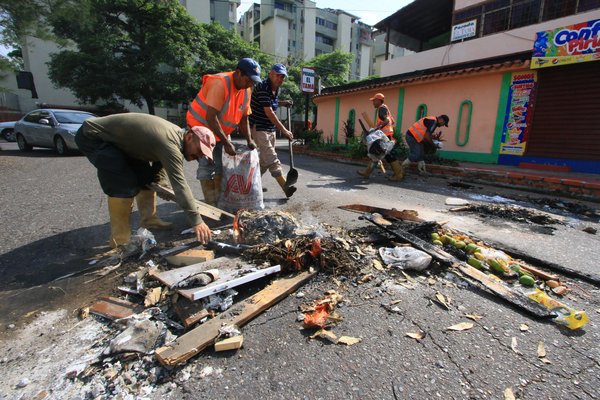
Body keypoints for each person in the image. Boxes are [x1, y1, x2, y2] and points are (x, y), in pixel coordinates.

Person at [76, 113, 216, 248]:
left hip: (122, 143)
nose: (199, 156)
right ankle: (119, 240)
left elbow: (159, 159)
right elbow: (180, 185)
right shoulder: (170, 144)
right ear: (190, 137)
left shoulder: (176, 138)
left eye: (203, 154)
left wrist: (160, 183)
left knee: (146, 178)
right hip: (93, 136)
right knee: (123, 184)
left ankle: (149, 220)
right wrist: (197, 222)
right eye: (199, 150)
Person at [187, 57, 259, 206]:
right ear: (238, 73)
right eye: (249, 80)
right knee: (207, 165)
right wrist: (226, 142)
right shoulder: (220, 83)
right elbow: (211, 117)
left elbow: (243, 118)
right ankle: (211, 203)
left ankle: (219, 200)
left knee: (220, 166)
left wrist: (249, 140)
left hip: (220, 132)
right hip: (201, 127)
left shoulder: (246, 90)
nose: (250, 84)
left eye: (253, 81)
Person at [249, 63, 296, 198]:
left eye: (282, 77)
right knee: (272, 158)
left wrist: (282, 102)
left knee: (264, 161)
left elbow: (271, 103)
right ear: (270, 74)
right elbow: (269, 111)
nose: (279, 79)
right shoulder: (263, 87)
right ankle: (285, 187)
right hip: (259, 127)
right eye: (277, 76)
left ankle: (251, 184)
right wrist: (285, 130)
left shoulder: (276, 89)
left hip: (270, 128)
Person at [358, 93, 403, 180]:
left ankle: (399, 174)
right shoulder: (385, 108)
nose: (373, 103)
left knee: (383, 154)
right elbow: (392, 121)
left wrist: (377, 129)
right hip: (386, 135)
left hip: (384, 136)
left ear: (379, 100)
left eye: (374, 101)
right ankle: (367, 172)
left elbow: (386, 120)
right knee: (376, 154)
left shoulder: (381, 108)